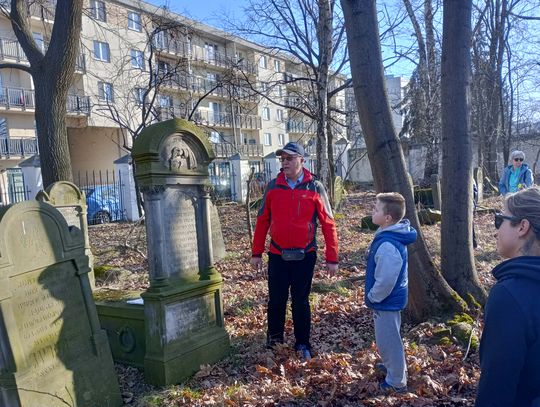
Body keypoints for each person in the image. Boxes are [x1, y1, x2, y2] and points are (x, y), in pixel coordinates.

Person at [250, 141, 339, 360]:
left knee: (300, 301)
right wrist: (256, 253)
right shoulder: (273, 187)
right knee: (276, 301)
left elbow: (328, 223)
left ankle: (302, 343)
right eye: (283, 159)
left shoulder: (315, 187)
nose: (285, 162)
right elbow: (262, 220)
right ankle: (274, 342)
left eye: (289, 158)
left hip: (305, 255)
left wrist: (332, 258)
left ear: (302, 160)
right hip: (277, 255)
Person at [475, 187, 540, 407]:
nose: (496, 231)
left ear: (522, 227)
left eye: (499, 220)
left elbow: (496, 387)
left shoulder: (509, 297)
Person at [365, 192, 417, 393]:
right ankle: (391, 367)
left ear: (387, 218)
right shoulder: (386, 235)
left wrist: (373, 296)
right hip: (386, 300)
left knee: (389, 341)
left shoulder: (388, 245)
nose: (372, 210)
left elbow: (386, 279)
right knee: (386, 338)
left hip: (386, 300)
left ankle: (396, 381)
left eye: (376, 208)